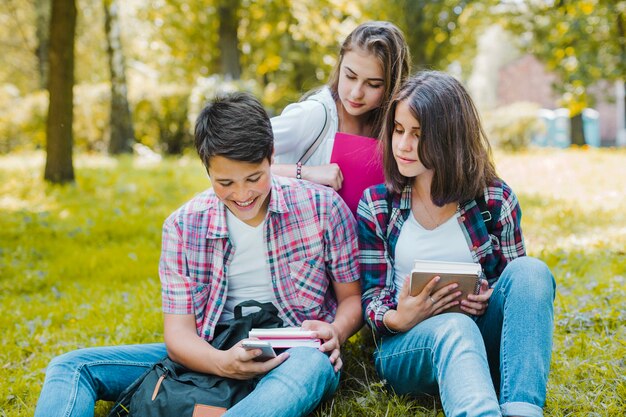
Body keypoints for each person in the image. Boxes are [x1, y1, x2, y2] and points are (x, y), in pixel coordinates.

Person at [35, 92, 362, 417]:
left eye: (254, 178)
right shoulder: (183, 225)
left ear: (272, 157)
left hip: (293, 352)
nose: (242, 194)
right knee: (72, 367)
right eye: (225, 183)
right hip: (211, 349)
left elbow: (351, 299)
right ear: (206, 169)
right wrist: (222, 363)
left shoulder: (322, 208)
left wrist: (337, 330)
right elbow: (179, 335)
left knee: (310, 365)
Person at [358, 71, 556, 417]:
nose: (402, 145)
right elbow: (371, 299)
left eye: (418, 135)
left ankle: (522, 408)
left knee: (532, 271)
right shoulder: (378, 204)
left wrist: (489, 295)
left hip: (480, 341)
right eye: (399, 130)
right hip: (408, 348)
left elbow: (516, 294)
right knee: (456, 326)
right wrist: (398, 317)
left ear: (449, 137)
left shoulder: (494, 198)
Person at [271, 20, 410, 194]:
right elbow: (231, 154)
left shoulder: (397, 128)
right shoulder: (315, 114)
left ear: (392, 86)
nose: (356, 93)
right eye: (350, 76)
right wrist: (304, 173)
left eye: (373, 84)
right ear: (339, 66)